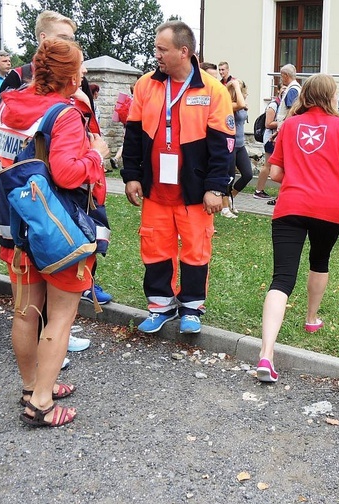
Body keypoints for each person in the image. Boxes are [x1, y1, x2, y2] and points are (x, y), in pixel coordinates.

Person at [0, 38, 110, 427]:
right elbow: (69, 172)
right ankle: (41, 404)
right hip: (57, 231)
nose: (83, 75)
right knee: (61, 317)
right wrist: (96, 153)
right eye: (81, 69)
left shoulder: (7, 104)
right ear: (70, 77)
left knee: (25, 311)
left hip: (13, 227)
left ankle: (32, 385)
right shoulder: (64, 114)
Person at [121, 20, 235, 334]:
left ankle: (191, 308)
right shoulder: (146, 85)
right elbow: (132, 135)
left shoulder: (212, 89)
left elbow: (222, 145)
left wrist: (215, 186)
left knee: (196, 249)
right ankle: (160, 307)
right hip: (156, 189)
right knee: (155, 247)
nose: (155, 54)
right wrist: (131, 176)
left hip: (195, 191)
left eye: (162, 49)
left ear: (183, 52)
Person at [257, 73, 339, 383]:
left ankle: (266, 354)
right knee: (320, 261)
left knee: (282, 277)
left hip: (291, 206)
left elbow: (275, 173)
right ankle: (311, 318)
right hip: (328, 208)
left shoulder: (289, 125)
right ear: (331, 97)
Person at [221, 79, 254, 218]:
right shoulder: (228, 104)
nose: (245, 93)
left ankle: (231, 197)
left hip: (240, 145)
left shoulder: (241, 105)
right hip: (230, 144)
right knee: (229, 177)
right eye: (241, 91)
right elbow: (239, 103)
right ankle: (224, 208)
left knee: (248, 174)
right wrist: (233, 85)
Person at [253, 83, 284, 201]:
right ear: (278, 90)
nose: (285, 91)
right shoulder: (273, 105)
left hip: (276, 138)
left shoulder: (282, 104)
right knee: (268, 165)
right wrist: (283, 122)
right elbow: (268, 124)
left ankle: (260, 190)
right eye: (283, 89)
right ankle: (258, 190)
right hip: (270, 139)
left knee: (271, 165)